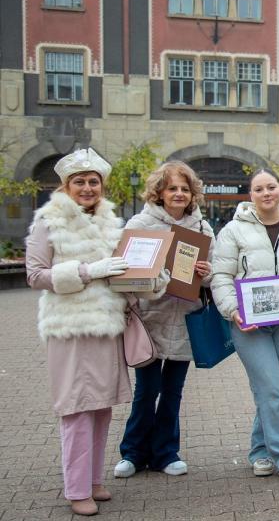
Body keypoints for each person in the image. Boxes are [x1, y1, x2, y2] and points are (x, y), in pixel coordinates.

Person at [25, 148, 168, 516]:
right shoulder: (48, 222)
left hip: (107, 327)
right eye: (79, 181)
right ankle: (76, 489)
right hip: (70, 328)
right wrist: (88, 271)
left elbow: (122, 275)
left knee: (101, 408)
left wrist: (152, 278)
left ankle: (92, 480)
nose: (87, 187)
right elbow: (36, 275)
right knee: (76, 408)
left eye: (93, 181)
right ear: (66, 186)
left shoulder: (111, 224)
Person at [114, 161, 215, 480]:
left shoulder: (203, 228)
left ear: (193, 194)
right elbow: (124, 273)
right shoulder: (140, 224)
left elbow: (213, 274)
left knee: (173, 391)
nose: (179, 194)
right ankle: (133, 453)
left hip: (185, 320)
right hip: (150, 320)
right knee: (147, 390)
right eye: (172, 188)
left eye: (185, 189)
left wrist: (206, 274)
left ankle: (166, 453)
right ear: (159, 192)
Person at [211, 169, 279, 484]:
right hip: (248, 324)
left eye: (271, 187)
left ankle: (260, 450)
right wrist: (232, 309)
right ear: (250, 195)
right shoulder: (233, 230)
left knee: (275, 388)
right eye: (259, 189)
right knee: (271, 387)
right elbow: (221, 275)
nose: (266, 193)